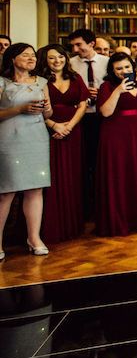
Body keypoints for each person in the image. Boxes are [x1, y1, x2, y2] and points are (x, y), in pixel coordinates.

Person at [95, 52, 137, 236]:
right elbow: (105, 112)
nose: (124, 71)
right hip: (115, 135)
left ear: (132, 67)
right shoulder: (107, 86)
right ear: (112, 71)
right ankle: (117, 220)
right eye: (119, 68)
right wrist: (118, 91)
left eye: (127, 67)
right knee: (118, 174)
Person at [0, 43, 52, 258]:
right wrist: (19, 109)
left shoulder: (41, 82)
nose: (32, 58)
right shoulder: (2, 83)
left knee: (35, 189)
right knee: (6, 192)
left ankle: (34, 237)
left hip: (37, 139)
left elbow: (48, 115)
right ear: (12, 59)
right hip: (10, 139)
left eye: (33, 55)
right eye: (25, 55)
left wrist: (47, 109)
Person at [37, 44, 88, 244]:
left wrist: (69, 127)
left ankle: (71, 224)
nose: (57, 61)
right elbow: (37, 108)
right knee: (52, 176)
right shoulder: (39, 80)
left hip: (73, 132)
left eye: (60, 56)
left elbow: (83, 104)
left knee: (72, 175)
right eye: (52, 58)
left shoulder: (75, 78)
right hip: (46, 131)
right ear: (45, 60)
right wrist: (54, 126)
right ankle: (50, 226)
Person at [68, 28, 109, 219]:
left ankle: (101, 203)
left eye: (79, 45)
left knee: (100, 161)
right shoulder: (70, 64)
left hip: (102, 117)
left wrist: (100, 93)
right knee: (82, 162)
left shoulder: (107, 63)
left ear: (91, 44)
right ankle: (84, 205)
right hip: (79, 118)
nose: (75, 49)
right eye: (73, 46)